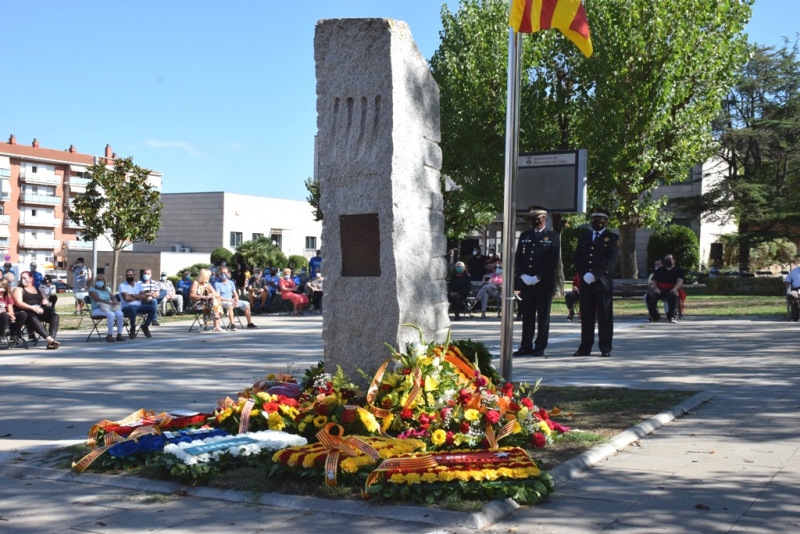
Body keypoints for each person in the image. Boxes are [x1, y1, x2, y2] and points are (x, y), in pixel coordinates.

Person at [513, 206, 560, 357]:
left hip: (543, 282)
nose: (534, 220)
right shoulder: (525, 235)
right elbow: (519, 257)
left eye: (537, 217)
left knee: (543, 316)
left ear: (544, 218)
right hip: (527, 282)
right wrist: (522, 275)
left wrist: (538, 277)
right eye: (532, 217)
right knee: (527, 315)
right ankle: (525, 345)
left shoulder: (552, 236)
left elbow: (552, 260)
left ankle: (540, 345)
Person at [572, 209, 620, 357]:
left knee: (605, 317)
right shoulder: (585, 237)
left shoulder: (612, 238)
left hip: (602, 282)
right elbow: (577, 257)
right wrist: (584, 273)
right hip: (586, 282)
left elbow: (611, 260)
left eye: (599, 220)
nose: (596, 222)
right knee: (586, 317)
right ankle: (585, 347)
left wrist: (595, 274)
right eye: (594, 220)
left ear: (605, 221)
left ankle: (605, 347)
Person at [12, 271, 60, 349]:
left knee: (55, 316)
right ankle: (49, 340)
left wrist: (46, 302)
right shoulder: (19, 289)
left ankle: (52, 341)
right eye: (21, 278)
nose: (22, 280)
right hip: (26, 313)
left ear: (31, 279)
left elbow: (47, 301)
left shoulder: (38, 289)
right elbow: (18, 303)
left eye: (25, 278)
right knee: (33, 316)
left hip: (39, 311)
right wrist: (33, 308)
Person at [214, 266, 257, 330]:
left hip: (232, 300)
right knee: (230, 305)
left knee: (247, 304)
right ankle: (232, 324)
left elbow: (235, 294)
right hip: (223, 301)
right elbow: (218, 296)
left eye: (225, 273)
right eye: (222, 273)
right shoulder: (217, 283)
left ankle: (249, 323)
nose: (223, 274)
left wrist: (236, 299)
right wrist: (229, 300)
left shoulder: (231, 283)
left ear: (228, 273)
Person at [118, 268, 158, 339]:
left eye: (131, 275)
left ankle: (145, 326)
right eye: (127, 275)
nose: (129, 276)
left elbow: (143, 296)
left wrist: (133, 295)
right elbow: (126, 299)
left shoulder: (139, 285)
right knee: (133, 308)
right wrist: (138, 296)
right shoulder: (122, 285)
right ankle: (133, 327)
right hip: (126, 307)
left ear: (134, 275)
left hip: (138, 306)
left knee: (153, 308)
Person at [646, 254, 685, 324]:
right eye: (666, 259)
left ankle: (671, 316)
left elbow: (680, 280)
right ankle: (654, 316)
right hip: (660, 290)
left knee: (674, 295)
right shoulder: (659, 270)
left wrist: (675, 288)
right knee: (649, 295)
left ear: (674, 260)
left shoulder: (678, 270)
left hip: (671, 289)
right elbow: (654, 280)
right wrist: (656, 288)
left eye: (669, 259)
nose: (667, 260)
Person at [88, 274, 126, 342]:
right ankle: (109, 335)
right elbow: (98, 299)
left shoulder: (107, 289)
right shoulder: (92, 289)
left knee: (120, 313)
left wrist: (114, 300)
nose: (99, 281)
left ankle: (119, 334)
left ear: (104, 281)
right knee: (111, 314)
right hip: (97, 309)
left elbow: (113, 297)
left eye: (101, 280)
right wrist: (109, 303)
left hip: (108, 308)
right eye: (98, 280)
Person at [190, 268, 223, 332]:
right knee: (214, 303)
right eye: (209, 275)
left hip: (208, 303)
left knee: (215, 300)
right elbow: (192, 295)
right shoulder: (196, 283)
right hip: (197, 303)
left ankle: (216, 325)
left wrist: (211, 294)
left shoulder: (207, 283)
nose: (210, 277)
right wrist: (204, 297)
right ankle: (217, 325)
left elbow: (215, 293)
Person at [0, 279, 26, 344]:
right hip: (2, 315)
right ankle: (2, 335)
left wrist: (11, 315)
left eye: (3, 288)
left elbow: (10, 309)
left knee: (22, 314)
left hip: (6, 315)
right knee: (4, 315)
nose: (1, 289)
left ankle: (14, 333)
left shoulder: (7, 297)